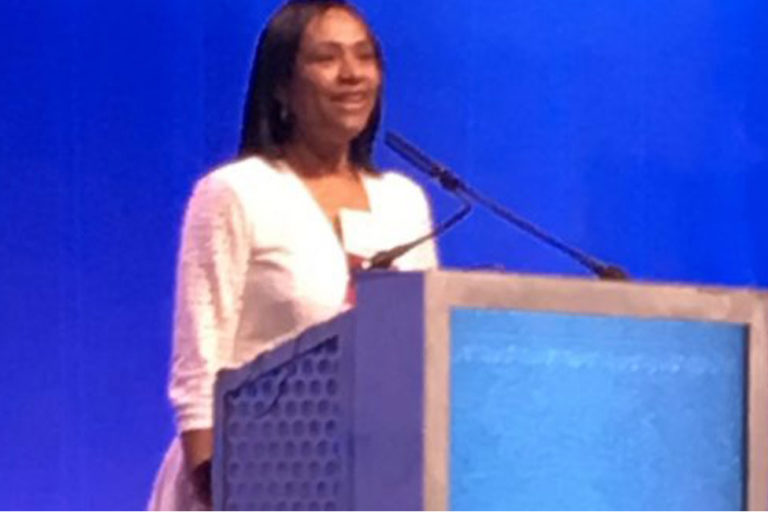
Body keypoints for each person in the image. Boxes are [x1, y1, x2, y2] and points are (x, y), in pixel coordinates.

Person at [148, 0, 438, 509]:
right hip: (248, 475)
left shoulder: (403, 200)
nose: (352, 74)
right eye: (327, 58)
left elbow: (423, 354)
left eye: (365, 56)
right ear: (281, 86)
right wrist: (217, 490)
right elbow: (199, 366)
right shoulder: (237, 192)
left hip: (368, 482)